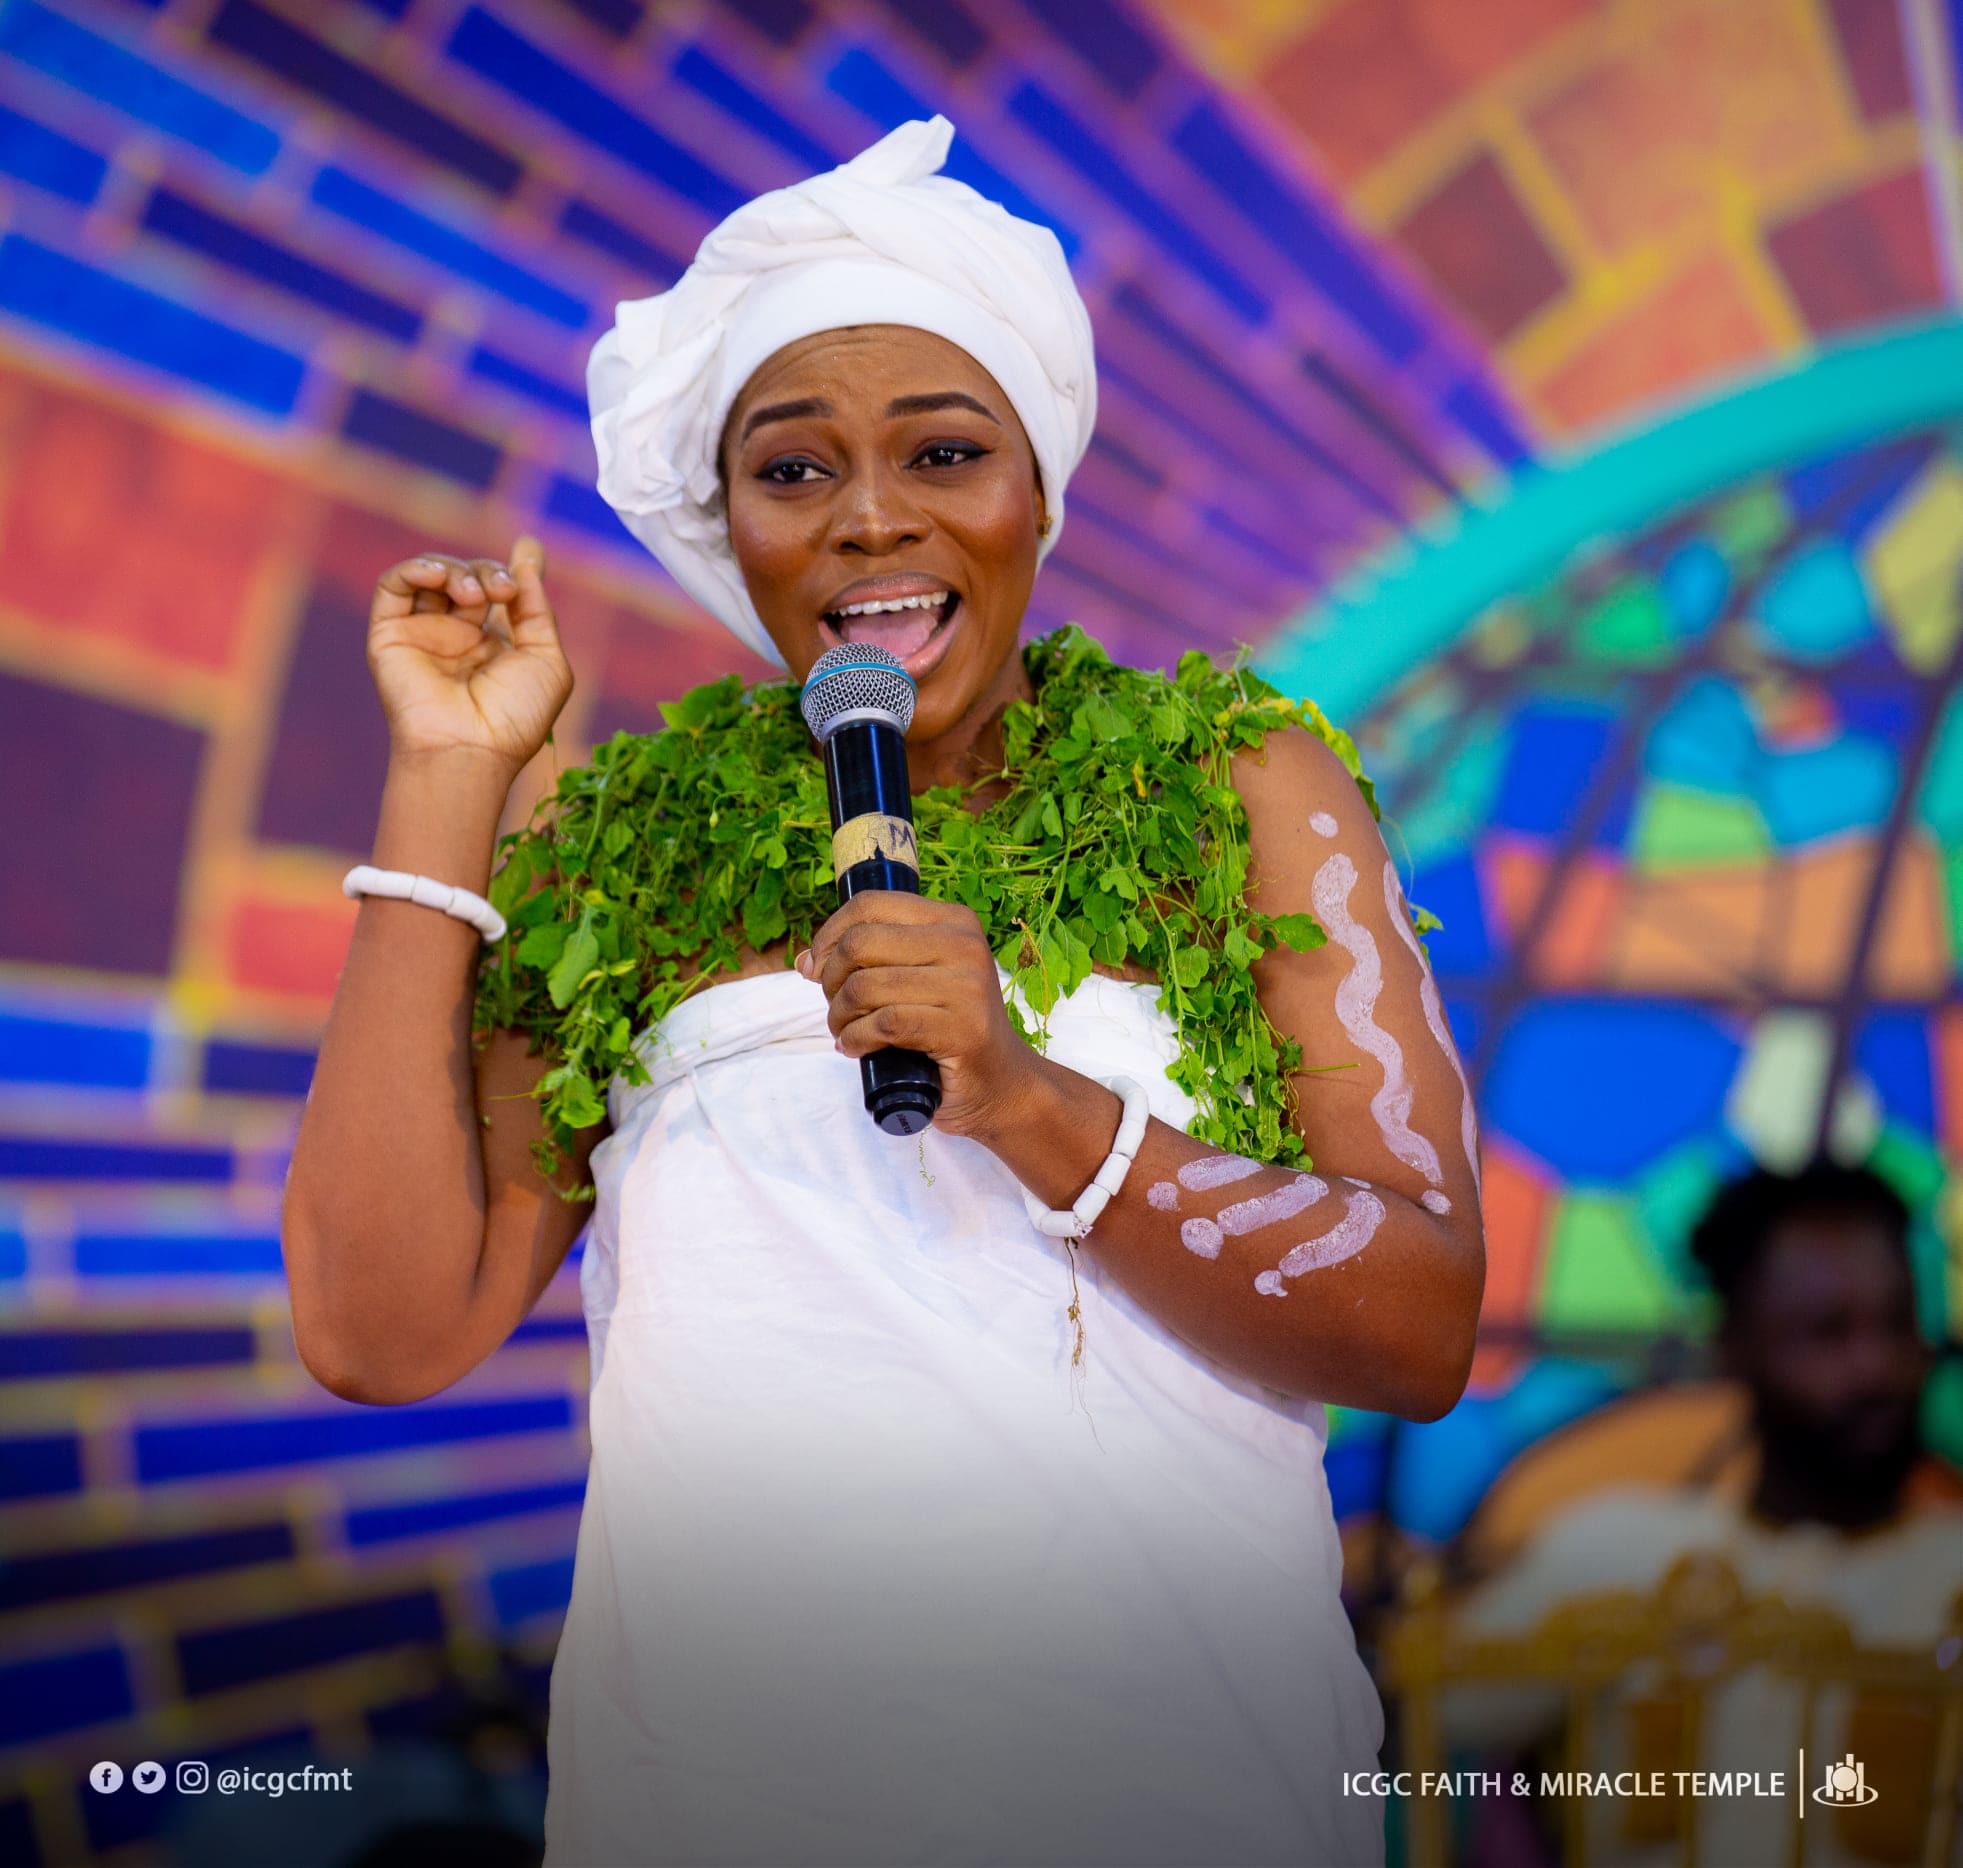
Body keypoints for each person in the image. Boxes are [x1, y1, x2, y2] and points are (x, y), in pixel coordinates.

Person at [283, 118, 1485, 1868]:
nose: (868, 516)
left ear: (1037, 493)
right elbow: (380, 1331)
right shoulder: (627, 853)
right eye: (791, 470)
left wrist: (1028, 1101)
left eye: (942, 451)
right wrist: (447, 777)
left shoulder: (1236, 788)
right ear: (731, 526)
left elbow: (1420, 1321)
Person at [1443, 1160, 1962, 1868]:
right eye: (1827, 1331)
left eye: (1896, 1324)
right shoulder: (1617, 1552)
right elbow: (1419, 1720)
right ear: (1733, 1346)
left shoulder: (1950, 1568)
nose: (1875, 1367)